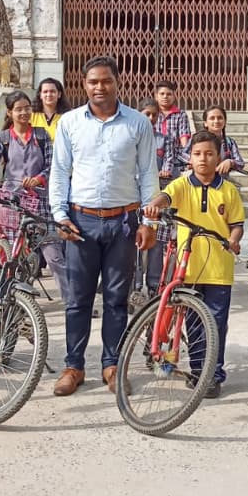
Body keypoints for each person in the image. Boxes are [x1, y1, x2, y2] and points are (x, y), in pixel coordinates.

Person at [48, 55, 158, 396]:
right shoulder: (69, 123)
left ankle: (112, 364)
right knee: (77, 300)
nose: (100, 87)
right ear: (84, 84)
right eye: (93, 81)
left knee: (116, 299)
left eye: (106, 81)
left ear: (117, 82)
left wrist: (149, 221)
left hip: (123, 223)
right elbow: (59, 171)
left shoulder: (138, 123)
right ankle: (73, 366)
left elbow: (149, 173)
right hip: (80, 223)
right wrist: (59, 215)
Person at [142, 131, 245, 398]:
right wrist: (154, 206)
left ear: (219, 156)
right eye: (198, 154)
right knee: (194, 322)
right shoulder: (182, 185)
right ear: (190, 157)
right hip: (188, 267)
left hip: (219, 270)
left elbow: (237, 226)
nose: (203, 159)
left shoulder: (230, 190)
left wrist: (233, 241)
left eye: (209, 154)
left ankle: (214, 374)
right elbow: (165, 197)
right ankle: (198, 370)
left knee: (216, 323)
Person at [0, 90, 66, 299]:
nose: (24, 112)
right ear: (10, 113)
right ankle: (12, 301)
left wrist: (39, 179)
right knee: (12, 254)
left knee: (53, 254)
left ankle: (72, 302)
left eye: (27, 108)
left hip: (40, 202)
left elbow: (53, 166)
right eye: (18, 109)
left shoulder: (42, 136)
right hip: (11, 204)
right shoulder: (3, 138)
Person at [136, 97, 181, 295]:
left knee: (156, 240)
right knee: (135, 242)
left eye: (155, 115)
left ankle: (154, 284)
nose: (151, 118)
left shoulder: (165, 139)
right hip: (135, 194)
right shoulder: (132, 137)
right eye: (147, 114)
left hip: (157, 195)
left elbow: (169, 161)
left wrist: (163, 172)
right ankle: (135, 286)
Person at [197, 105, 245, 183]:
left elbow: (240, 163)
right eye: (212, 118)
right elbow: (182, 157)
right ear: (205, 123)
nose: (216, 121)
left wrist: (230, 162)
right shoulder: (197, 140)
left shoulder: (229, 142)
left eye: (220, 118)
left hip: (222, 183)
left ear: (225, 121)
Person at [154, 79, 193, 149]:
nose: (165, 96)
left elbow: (184, 136)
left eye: (169, 94)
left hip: (175, 154)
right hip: (154, 153)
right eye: (162, 94)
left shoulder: (181, 114)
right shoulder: (152, 114)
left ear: (174, 97)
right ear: (156, 96)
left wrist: (185, 152)